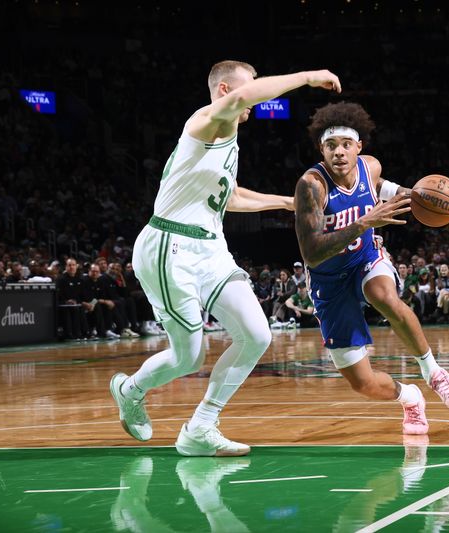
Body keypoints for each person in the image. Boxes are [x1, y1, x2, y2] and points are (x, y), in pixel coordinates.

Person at [109, 60, 342, 457]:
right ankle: (130, 390)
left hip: (211, 249)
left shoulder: (227, 137)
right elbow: (246, 95)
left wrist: (288, 203)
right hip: (171, 244)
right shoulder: (204, 120)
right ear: (225, 92)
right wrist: (306, 77)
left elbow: (230, 196)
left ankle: (201, 426)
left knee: (257, 334)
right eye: (248, 87)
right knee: (188, 356)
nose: (253, 98)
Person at [293, 102, 449, 436]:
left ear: (359, 147)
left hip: (364, 259)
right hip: (328, 281)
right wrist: (364, 222)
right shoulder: (311, 186)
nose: (340, 152)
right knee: (363, 383)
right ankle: (410, 397)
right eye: (331, 146)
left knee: (382, 294)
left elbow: (385, 188)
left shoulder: (369, 167)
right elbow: (312, 253)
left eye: (347, 144)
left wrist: (418, 198)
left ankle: (434, 374)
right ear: (322, 149)